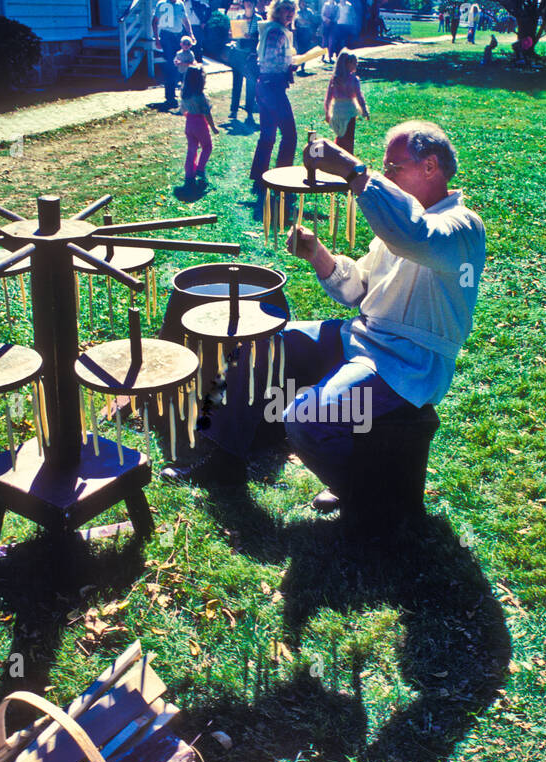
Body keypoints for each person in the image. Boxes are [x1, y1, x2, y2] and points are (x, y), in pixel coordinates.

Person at [162, 122, 485, 512]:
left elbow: (416, 236)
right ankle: (222, 457)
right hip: (362, 335)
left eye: (394, 168)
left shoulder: (462, 227)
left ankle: (362, 494)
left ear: (431, 166)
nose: (386, 176)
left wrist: (353, 170)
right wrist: (318, 254)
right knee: (260, 345)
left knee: (304, 417)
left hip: (408, 362)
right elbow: (360, 290)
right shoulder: (402, 221)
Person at [249, 0, 298, 190]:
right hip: (272, 86)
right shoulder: (276, 31)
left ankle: (259, 176)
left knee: (268, 134)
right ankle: (282, 175)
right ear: (277, 11)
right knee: (289, 134)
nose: (290, 14)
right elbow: (269, 61)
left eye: (293, 10)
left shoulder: (275, 29)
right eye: (286, 10)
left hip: (266, 86)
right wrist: (289, 66)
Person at [180, 65, 218, 188]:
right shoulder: (200, 96)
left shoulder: (184, 94)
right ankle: (200, 169)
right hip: (199, 122)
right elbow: (206, 112)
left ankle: (189, 174)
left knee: (192, 149)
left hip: (189, 122)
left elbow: (182, 109)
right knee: (207, 146)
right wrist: (213, 127)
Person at [325, 50, 368, 153]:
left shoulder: (335, 79)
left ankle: (337, 156)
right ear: (348, 64)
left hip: (337, 110)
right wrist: (364, 110)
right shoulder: (353, 79)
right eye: (355, 63)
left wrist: (327, 112)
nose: (356, 66)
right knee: (348, 139)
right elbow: (359, 96)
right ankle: (347, 158)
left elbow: (328, 97)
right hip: (349, 111)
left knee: (340, 136)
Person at [153, 0, 194, 109]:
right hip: (167, 36)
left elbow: (185, 19)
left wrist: (191, 34)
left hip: (178, 36)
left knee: (181, 63)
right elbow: (155, 21)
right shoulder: (161, 4)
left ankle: (181, 94)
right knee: (171, 65)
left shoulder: (180, 4)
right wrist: (157, 39)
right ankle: (170, 97)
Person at [228, 0, 261, 125]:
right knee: (236, 83)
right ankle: (234, 110)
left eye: (251, 2)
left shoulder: (258, 19)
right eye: (246, 2)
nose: (248, 4)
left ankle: (249, 111)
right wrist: (235, 34)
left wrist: (250, 37)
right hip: (238, 54)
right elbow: (233, 35)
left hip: (251, 55)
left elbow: (260, 37)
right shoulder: (238, 17)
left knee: (251, 84)